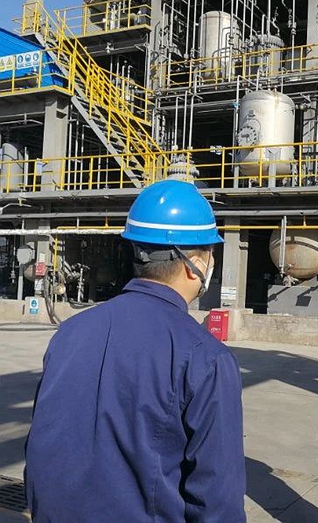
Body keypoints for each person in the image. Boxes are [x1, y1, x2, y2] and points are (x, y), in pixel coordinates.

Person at [25, 180, 246, 522]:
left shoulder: (70, 333)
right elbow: (218, 502)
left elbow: (41, 449)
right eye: (210, 255)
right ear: (194, 264)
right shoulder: (206, 357)